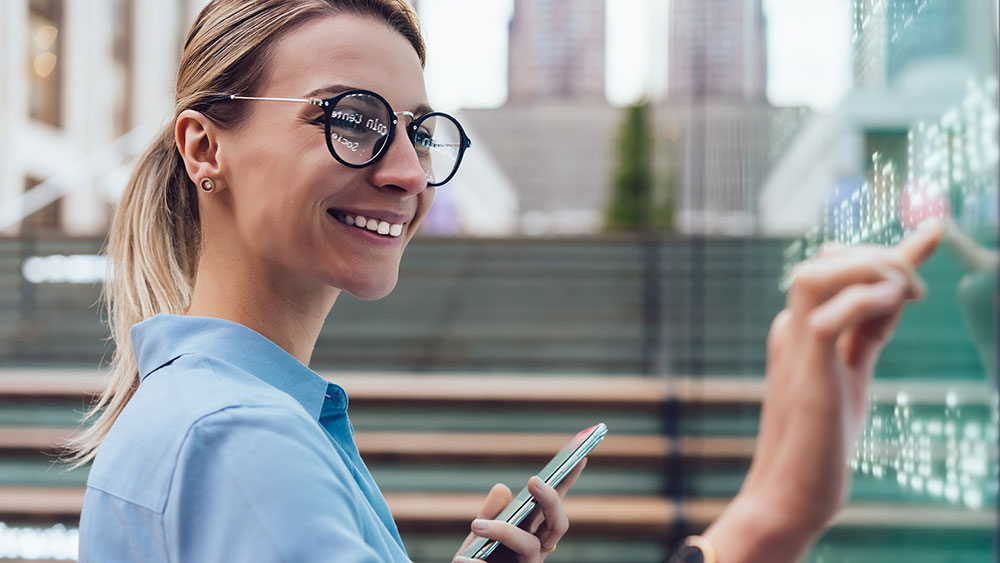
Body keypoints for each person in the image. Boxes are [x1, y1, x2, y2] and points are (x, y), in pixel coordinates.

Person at [66, 1, 944, 562]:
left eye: (417, 129)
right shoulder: (238, 441)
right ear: (203, 145)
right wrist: (773, 517)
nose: (407, 170)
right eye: (354, 120)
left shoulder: (199, 414)